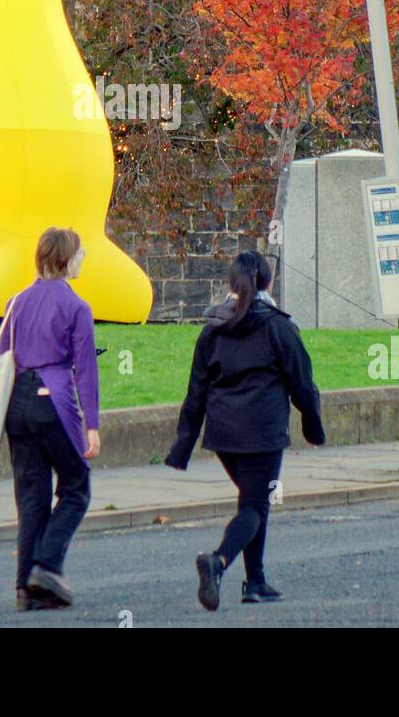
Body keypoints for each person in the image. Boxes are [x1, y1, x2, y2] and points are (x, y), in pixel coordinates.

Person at [165, 251, 326, 611]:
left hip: (223, 433)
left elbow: (196, 391)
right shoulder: (279, 327)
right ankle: (218, 562)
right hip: (262, 430)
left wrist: (182, 445)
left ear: (231, 284)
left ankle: (256, 582)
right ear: (267, 282)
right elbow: (301, 382)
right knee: (255, 504)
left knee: (252, 503)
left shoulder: (213, 329)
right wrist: (313, 425)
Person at [1, 227, 101, 611]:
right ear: (65, 259)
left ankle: (25, 590)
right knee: (76, 485)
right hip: (54, 403)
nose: (83, 258)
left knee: (31, 499)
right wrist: (91, 424)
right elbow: (85, 371)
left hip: (17, 405)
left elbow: (5, 356)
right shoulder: (77, 307)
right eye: (79, 254)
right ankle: (46, 565)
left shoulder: (17, 301)